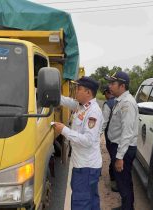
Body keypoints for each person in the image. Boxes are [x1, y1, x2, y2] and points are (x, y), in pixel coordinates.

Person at [53, 76, 103, 210]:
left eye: (78, 88)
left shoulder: (93, 112)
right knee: (91, 201)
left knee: (81, 203)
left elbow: (87, 140)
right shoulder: (83, 106)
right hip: (85, 165)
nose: (75, 91)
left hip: (86, 167)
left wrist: (64, 130)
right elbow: (67, 101)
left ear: (88, 92)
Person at [105, 71, 139, 210]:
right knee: (123, 181)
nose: (109, 86)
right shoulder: (121, 101)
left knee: (123, 182)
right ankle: (126, 206)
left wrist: (119, 157)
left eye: (113, 83)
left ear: (122, 86)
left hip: (122, 149)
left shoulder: (127, 103)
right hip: (119, 147)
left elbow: (127, 133)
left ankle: (127, 208)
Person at [101, 85, 118, 192]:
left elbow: (103, 122)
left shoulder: (108, 104)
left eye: (105, 94)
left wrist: (97, 135)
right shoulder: (121, 101)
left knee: (113, 157)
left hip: (111, 136)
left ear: (108, 93)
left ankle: (113, 179)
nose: (106, 97)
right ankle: (114, 177)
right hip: (120, 136)